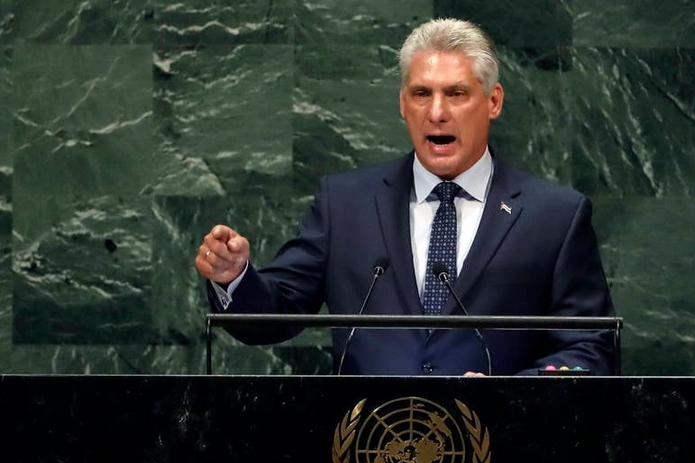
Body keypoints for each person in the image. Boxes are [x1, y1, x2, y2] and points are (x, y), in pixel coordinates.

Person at [195, 18, 616, 376]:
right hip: (367, 451)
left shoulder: (554, 216)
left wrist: (514, 393)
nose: (437, 112)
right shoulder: (346, 204)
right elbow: (273, 316)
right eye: (421, 94)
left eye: (456, 93)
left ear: (493, 101)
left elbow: (590, 348)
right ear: (402, 104)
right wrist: (236, 277)